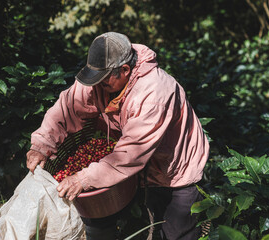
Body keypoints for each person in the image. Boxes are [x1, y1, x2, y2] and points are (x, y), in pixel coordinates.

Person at [26, 32, 209, 240]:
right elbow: (66, 108)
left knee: (177, 233)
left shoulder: (153, 94)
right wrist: (41, 144)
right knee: (128, 223)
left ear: (124, 70)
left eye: (103, 82)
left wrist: (83, 178)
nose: (96, 86)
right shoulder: (102, 78)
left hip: (174, 167)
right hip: (132, 168)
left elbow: (131, 153)